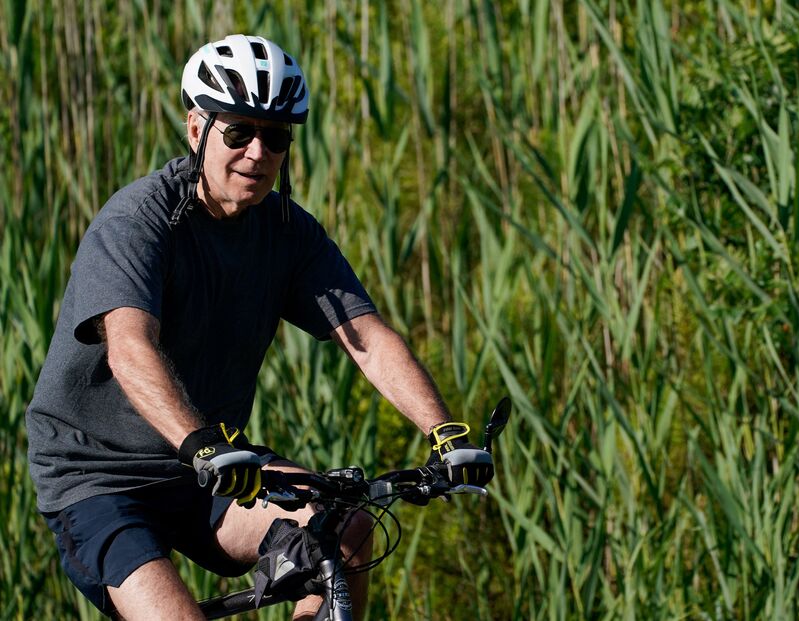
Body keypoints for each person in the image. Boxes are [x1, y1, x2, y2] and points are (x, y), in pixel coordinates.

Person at [26, 34, 493, 620]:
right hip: (98, 477)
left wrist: (445, 432)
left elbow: (367, 339)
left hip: (208, 471)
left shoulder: (288, 232)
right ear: (197, 130)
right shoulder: (138, 221)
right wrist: (201, 445)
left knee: (344, 530)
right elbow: (129, 348)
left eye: (275, 138)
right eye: (239, 132)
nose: (256, 152)